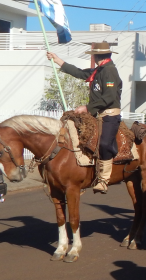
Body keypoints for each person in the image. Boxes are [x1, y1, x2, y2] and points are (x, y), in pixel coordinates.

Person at [47, 42, 122, 193]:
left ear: (98, 56)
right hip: (96, 114)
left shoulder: (109, 71)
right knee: (80, 138)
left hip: (109, 115)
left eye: (94, 55)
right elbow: (80, 73)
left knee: (104, 144)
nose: (93, 57)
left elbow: (109, 97)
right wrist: (58, 60)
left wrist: (87, 108)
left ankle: (103, 180)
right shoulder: (99, 71)